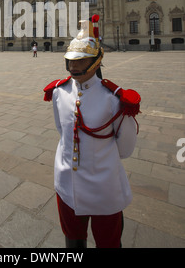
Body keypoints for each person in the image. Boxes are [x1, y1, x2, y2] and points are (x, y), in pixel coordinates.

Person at [43, 15, 140, 248]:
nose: (73, 67)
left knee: (108, 241)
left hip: (103, 187)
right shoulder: (59, 92)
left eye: (81, 61)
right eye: (70, 61)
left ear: (96, 62)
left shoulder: (114, 100)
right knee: (73, 239)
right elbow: (62, 131)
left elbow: (125, 149)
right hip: (67, 184)